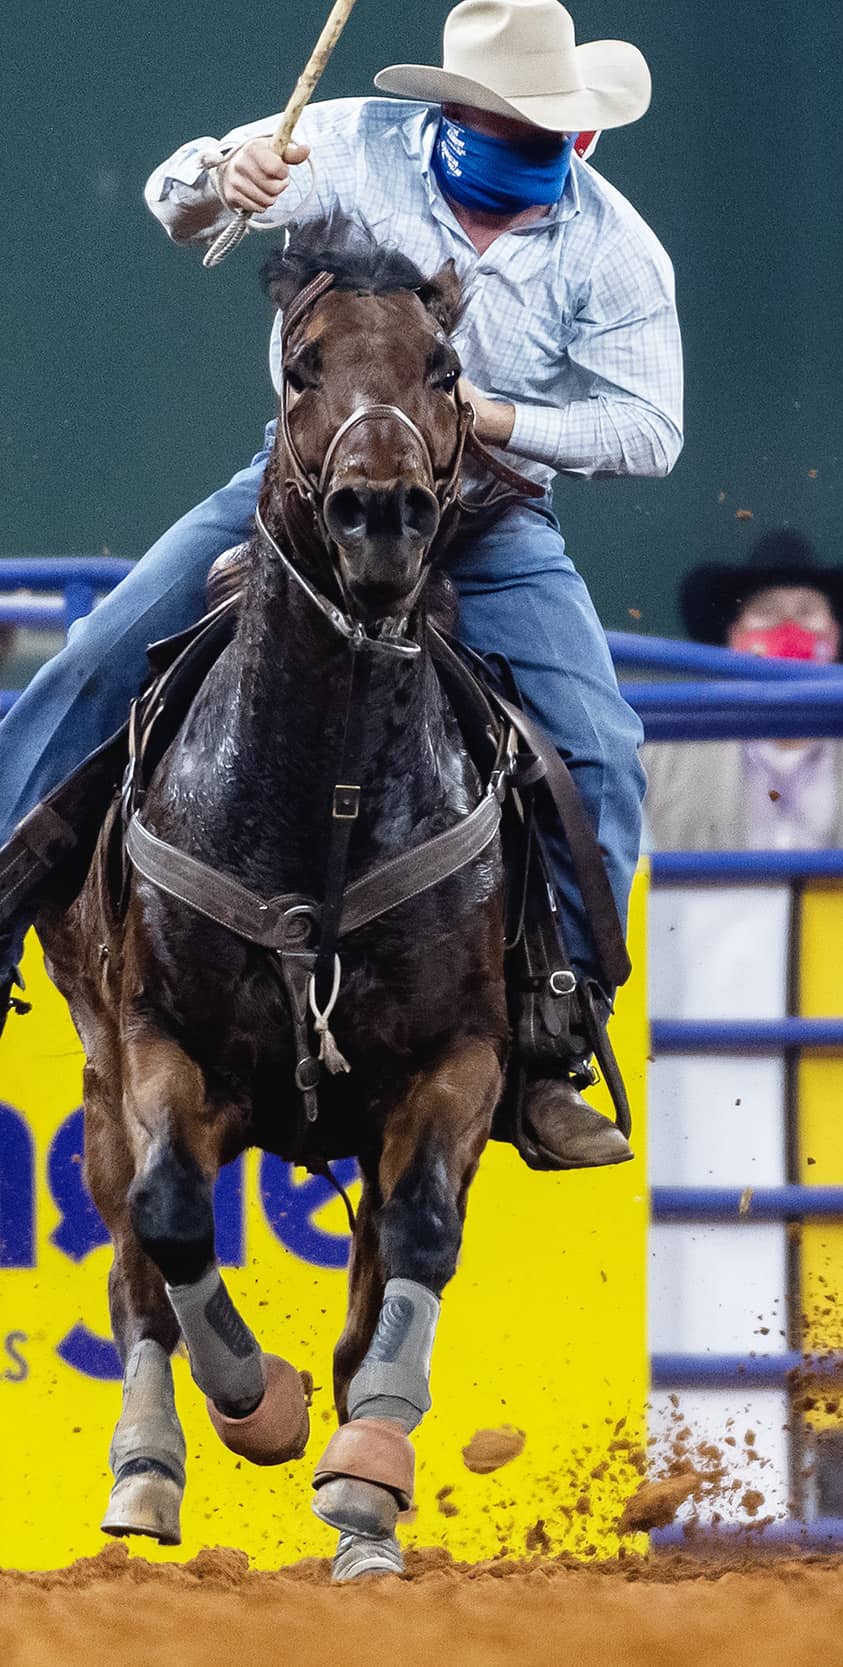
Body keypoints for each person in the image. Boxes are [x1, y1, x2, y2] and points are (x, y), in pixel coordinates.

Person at [0, 0, 678, 1169]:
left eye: (543, 128)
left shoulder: (615, 247)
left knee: (602, 750)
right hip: (302, 497)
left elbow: (651, 431)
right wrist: (228, 172)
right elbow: (178, 204)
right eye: (501, 121)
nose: (523, 143)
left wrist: (489, 417)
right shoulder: (353, 142)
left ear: (579, 135)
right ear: (451, 111)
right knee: (101, 660)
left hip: (488, 512)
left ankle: (553, 1031)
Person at [642, 528, 843, 850]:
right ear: (733, 636)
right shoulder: (665, 756)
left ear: (834, 635)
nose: (788, 629)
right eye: (766, 611)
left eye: (806, 612)